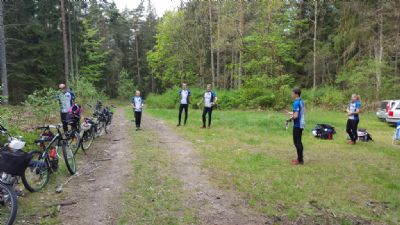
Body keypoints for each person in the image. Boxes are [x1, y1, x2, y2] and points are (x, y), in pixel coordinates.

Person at [286, 88, 305, 165]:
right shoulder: (301, 101)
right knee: (299, 141)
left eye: (292, 93)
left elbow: (296, 116)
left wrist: (288, 120)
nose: (291, 94)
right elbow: (300, 112)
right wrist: (291, 113)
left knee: (297, 142)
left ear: (296, 94)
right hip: (302, 124)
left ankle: (300, 160)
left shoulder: (296, 103)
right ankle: (300, 158)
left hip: (297, 124)